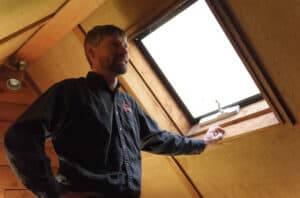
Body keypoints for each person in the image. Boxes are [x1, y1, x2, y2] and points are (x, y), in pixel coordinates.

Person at [3, 25, 225, 198]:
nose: (124, 50)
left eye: (126, 45)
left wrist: (203, 142)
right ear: (91, 52)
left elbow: (159, 139)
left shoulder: (129, 103)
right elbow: (20, 136)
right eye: (115, 45)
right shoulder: (70, 92)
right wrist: (51, 191)